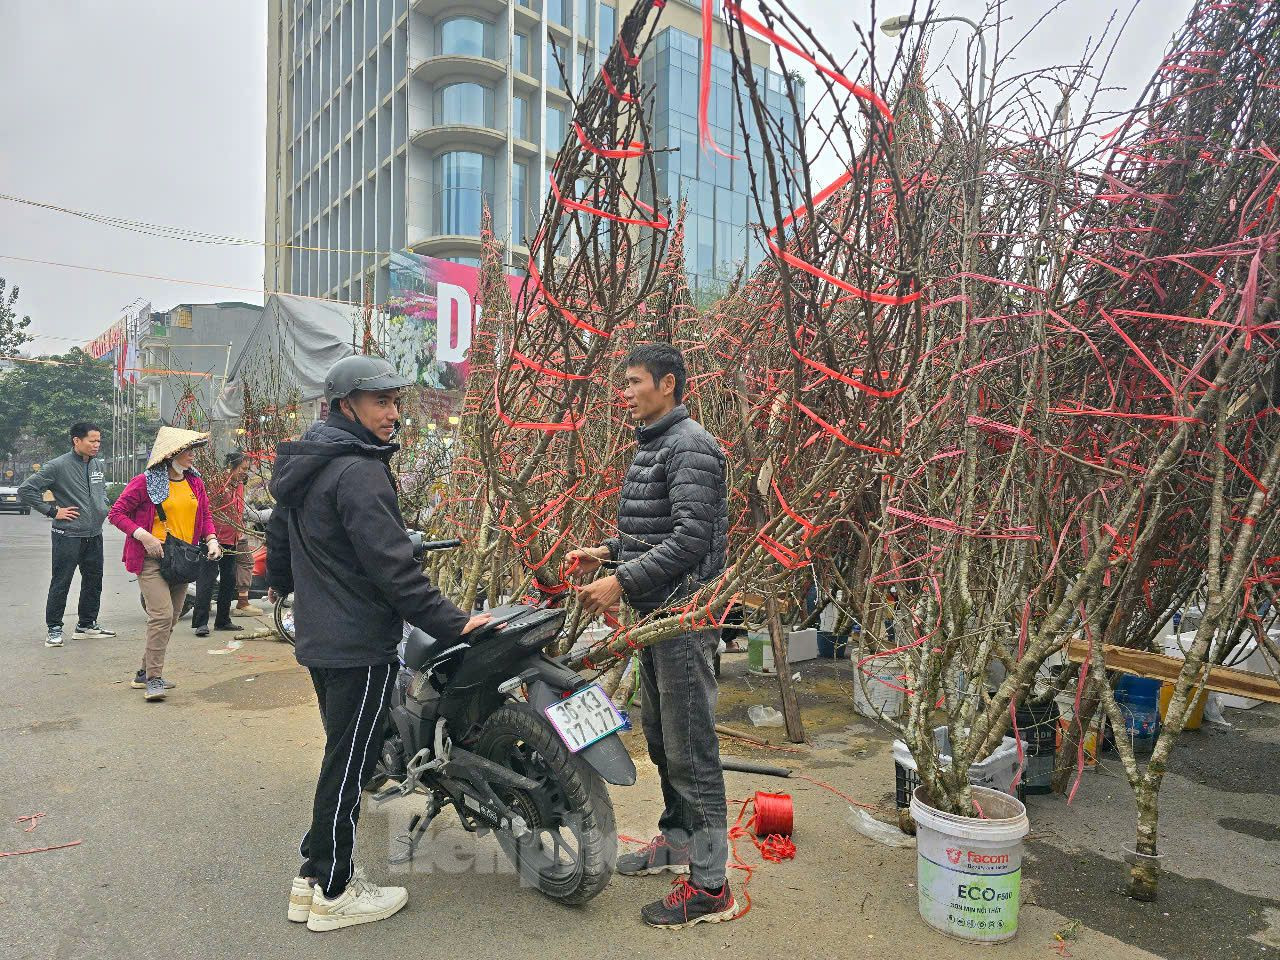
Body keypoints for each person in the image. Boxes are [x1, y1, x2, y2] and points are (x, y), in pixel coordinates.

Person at [266, 354, 490, 933]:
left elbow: (281, 542)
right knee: (351, 762)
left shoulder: (308, 461)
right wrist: (452, 622)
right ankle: (335, 891)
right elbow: (395, 570)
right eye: (380, 403)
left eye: (395, 402)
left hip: (321, 633)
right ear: (347, 406)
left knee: (344, 754)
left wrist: (292, 592)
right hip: (357, 641)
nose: (393, 413)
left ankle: (310, 881)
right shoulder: (359, 470)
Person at [567, 343, 732, 929]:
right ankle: (678, 842)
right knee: (664, 740)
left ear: (667, 384)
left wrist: (621, 581)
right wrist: (606, 555)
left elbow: (690, 541)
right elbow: (652, 532)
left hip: (685, 619)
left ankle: (711, 885)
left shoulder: (691, 448)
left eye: (635, 382)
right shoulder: (655, 446)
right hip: (658, 617)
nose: (626, 392)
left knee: (693, 750)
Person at [108, 427, 221, 701]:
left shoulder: (195, 482)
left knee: (170, 617)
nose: (193, 456)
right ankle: (154, 679)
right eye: (187, 451)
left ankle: (143, 672)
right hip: (151, 559)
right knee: (161, 615)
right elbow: (116, 513)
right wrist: (143, 535)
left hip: (181, 559)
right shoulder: (144, 482)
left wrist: (212, 539)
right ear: (171, 454)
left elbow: (204, 515)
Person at [18, 421, 114, 648]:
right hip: (68, 534)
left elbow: (102, 492)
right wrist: (53, 511)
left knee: (94, 581)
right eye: (92, 441)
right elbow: (26, 490)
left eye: (98, 441)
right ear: (76, 440)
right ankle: (54, 629)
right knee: (61, 582)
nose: (96, 445)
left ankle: (86, 625)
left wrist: (104, 506)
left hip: (94, 534)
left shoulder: (96, 465)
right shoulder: (57, 465)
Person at [191, 450, 249, 637]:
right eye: (242, 468)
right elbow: (206, 510)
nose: (244, 472)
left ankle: (223, 620)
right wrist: (210, 537)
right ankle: (201, 623)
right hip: (212, 539)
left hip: (232, 540)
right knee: (206, 581)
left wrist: (240, 529)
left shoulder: (239, 484)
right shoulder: (217, 484)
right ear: (232, 467)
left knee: (229, 580)